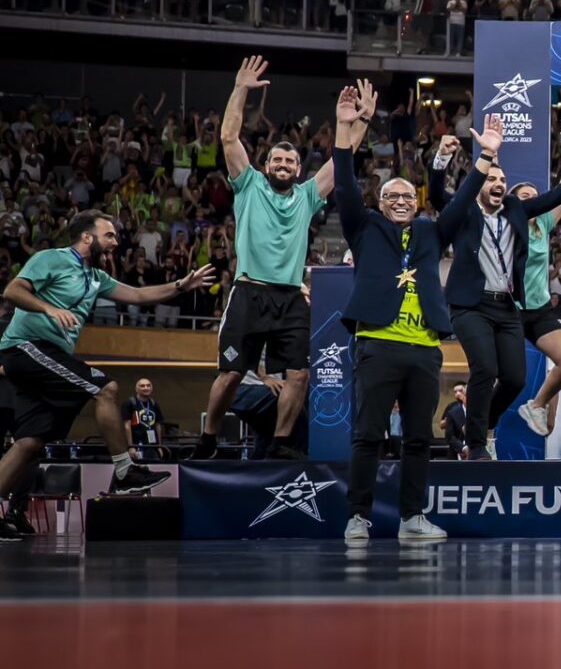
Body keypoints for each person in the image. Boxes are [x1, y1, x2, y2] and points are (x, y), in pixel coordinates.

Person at [332, 85, 481, 543]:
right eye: (391, 196)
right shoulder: (364, 228)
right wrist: (345, 128)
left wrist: (484, 160)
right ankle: (358, 516)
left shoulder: (430, 233)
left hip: (424, 350)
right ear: (380, 204)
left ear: (416, 204)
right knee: (369, 435)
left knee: (419, 438)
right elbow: (343, 183)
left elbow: (458, 205)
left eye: (406, 197)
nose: (399, 200)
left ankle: (412, 518)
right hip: (377, 344)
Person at [0, 210, 211, 525]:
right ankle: (125, 470)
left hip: (48, 358)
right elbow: (13, 291)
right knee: (106, 388)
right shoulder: (51, 259)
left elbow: (139, 295)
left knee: (30, 442)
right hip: (25, 347)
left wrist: (181, 285)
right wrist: (50, 309)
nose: (115, 241)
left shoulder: (96, 277)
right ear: (88, 236)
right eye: (109, 235)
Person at [193, 56, 335, 460]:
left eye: (291, 161)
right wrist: (240, 88)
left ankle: (282, 442)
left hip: (290, 297)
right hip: (249, 293)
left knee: (300, 374)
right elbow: (228, 137)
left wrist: (353, 122)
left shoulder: (308, 195)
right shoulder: (248, 184)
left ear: (297, 167)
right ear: (267, 164)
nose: (285, 165)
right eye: (278, 160)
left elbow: (342, 159)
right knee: (231, 374)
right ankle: (208, 439)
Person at [434, 121, 561, 460]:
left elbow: (553, 198)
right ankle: (476, 445)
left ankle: (479, 426)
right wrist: (441, 161)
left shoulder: (516, 209)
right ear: (478, 185)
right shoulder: (464, 212)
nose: (498, 183)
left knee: (515, 378)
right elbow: (437, 196)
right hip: (470, 305)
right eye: (491, 178)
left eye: (502, 180)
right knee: (485, 369)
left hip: (507, 306)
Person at [121, 378, 164, 454]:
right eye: (142, 386)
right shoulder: (130, 403)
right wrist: (131, 447)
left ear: (152, 388)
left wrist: (159, 446)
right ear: (136, 389)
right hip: (137, 445)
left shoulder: (154, 404)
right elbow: (126, 426)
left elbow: (158, 425)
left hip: (152, 445)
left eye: (148, 386)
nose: (146, 388)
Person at [439, 382, 469, 459]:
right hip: (456, 454)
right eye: (455, 392)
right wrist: (463, 448)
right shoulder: (452, 411)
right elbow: (450, 436)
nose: (458, 394)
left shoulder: (480, 412)